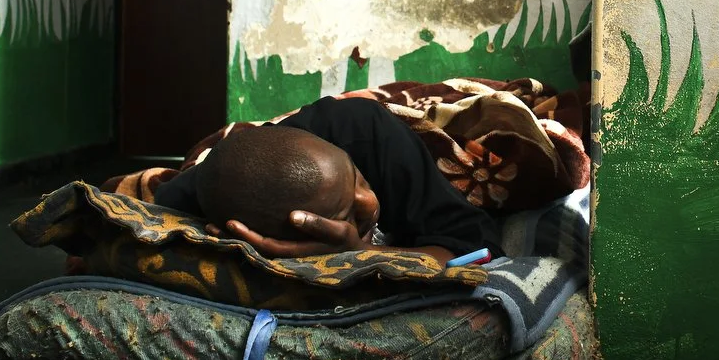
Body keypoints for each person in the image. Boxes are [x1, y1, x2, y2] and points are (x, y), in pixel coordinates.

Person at [153, 96, 502, 264]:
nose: (368, 201)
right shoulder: (193, 199)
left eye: (357, 177)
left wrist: (363, 251)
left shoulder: (368, 135)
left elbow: (477, 246)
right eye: (345, 215)